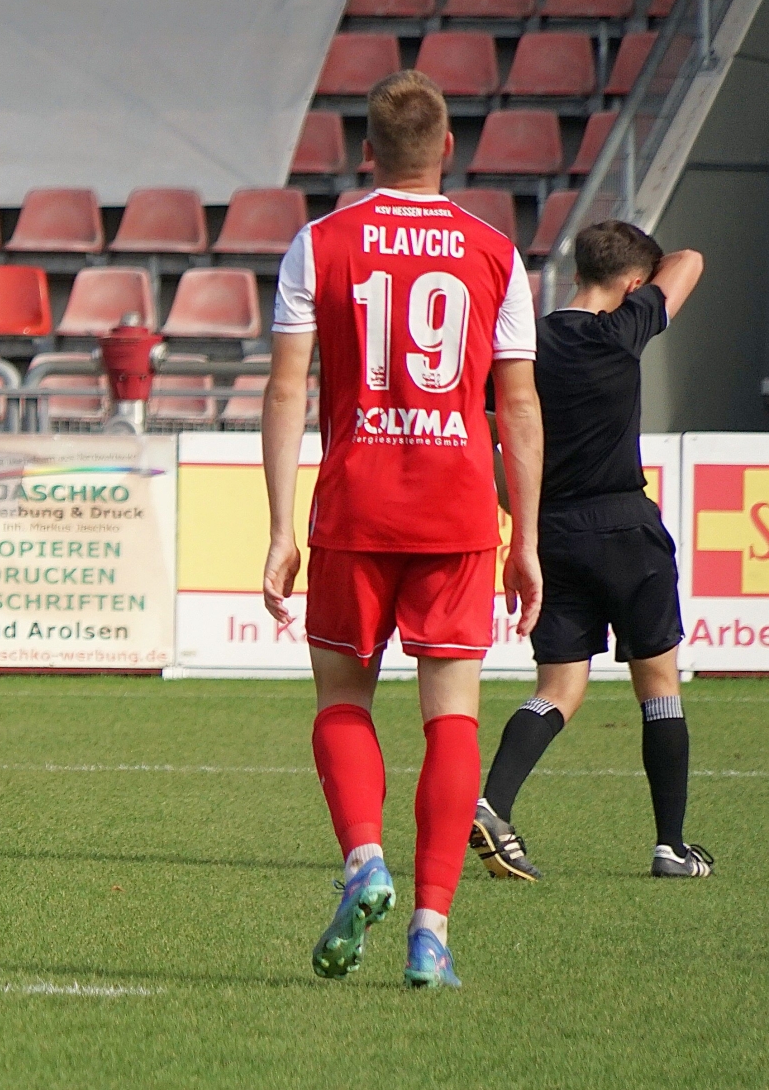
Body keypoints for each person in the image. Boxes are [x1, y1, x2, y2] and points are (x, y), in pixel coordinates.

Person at [261, 70, 544, 989]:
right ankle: (431, 932)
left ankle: (363, 860)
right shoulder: (495, 252)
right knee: (452, 717)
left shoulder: (319, 244)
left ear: (367, 152)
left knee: (343, 700)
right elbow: (518, 407)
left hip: (356, 504)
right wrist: (525, 538)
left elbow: (285, 391)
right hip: (457, 510)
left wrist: (279, 528)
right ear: (449, 147)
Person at [469, 223, 710, 881]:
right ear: (634, 286)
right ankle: (670, 847)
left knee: (557, 688)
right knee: (658, 686)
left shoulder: (525, 345)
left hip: (553, 533)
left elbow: (488, 437)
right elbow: (689, 258)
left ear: (575, 272)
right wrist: (644, 288)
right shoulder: (623, 329)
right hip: (625, 528)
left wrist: (520, 508)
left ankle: (493, 803)